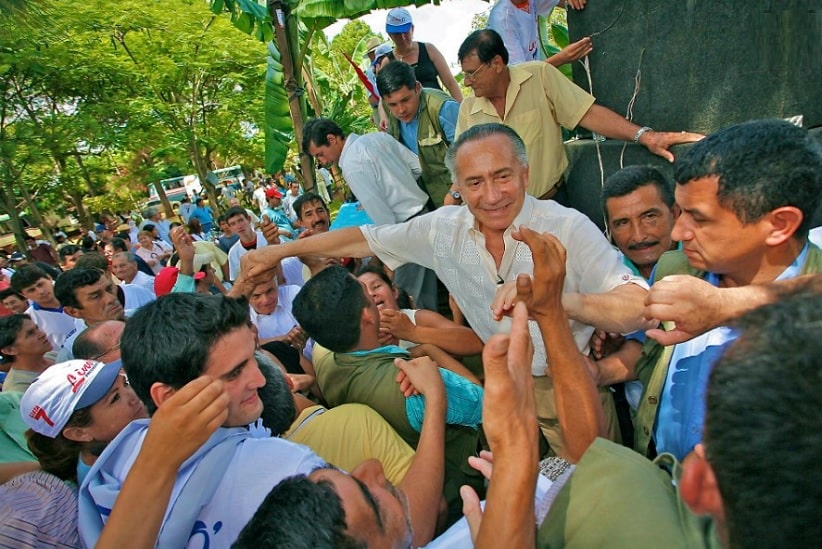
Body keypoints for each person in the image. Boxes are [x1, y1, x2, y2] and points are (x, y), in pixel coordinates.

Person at [245, 123, 648, 457]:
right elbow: (361, 240)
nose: (491, 196)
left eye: (503, 176)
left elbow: (637, 304)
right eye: (475, 182)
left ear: (525, 173)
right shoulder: (441, 230)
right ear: (457, 186)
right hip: (505, 391)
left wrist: (556, 302)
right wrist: (281, 251)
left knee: (598, 484)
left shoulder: (567, 227)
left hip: (570, 384)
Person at [625, 119, 822, 461]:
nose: (678, 233)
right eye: (680, 212)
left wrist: (724, 305)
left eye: (699, 219)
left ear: (779, 224)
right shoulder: (677, 268)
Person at [77, 293, 327, 548]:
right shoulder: (288, 465)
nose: (260, 380)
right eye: (235, 372)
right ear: (169, 395)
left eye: (253, 356)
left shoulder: (116, 457)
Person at [453, 29, 702, 202]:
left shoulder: (539, 77)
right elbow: (462, 166)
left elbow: (587, 113)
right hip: (500, 219)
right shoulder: (468, 109)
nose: (467, 81)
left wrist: (645, 136)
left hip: (551, 204)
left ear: (496, 63)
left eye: (473, 73)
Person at [302, 118, 439, 311]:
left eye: (321, 155)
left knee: (412, 305)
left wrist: (388, 261)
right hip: (425, 214)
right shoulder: (379, 138)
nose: (323, 162)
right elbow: (417, 167)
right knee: (428, 296)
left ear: (332, 139)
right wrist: (402, 190)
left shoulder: (351, 165)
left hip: (403, 232)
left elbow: (384, 221)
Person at [377, 60, 460, 206]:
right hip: (426, 202)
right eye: (393, 104)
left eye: (405, 100)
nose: (401, 110)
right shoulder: (389, 112)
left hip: (458, 199)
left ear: (417, 87)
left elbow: (471, 158)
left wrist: (454, 194)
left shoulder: (442, 109)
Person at [357, 264, 483, 358]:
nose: (372, 294)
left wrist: (413, 332)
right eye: (364, 293)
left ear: (394, 291)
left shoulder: (416, 318)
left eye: (376, 286)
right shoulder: (359, 337)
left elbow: (476, 342)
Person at [384, 7, 463, 102]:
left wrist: (461, 109)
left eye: (405, 32)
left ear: (412, 29)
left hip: (438, 106)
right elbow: (385, 98)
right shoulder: (387, 63)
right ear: (390, 35)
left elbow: (450, 83)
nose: (403, 37)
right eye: (397, 34)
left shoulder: (429, 50)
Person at [488, 0, 592, 66]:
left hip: (534, 81)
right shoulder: (503, 20)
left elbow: (561, 1)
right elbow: (519, 75)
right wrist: (562, 57)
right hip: (514, 93)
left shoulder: (529, 2)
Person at [225, 206, 303, 285]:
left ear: (249, 219)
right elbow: (237, 280)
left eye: (240, 220)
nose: (239, 226)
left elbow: (287, 260)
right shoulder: (233, 253)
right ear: (230, 228)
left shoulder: (269, 237)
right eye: (233, 224)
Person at [10, 265, 76, 350]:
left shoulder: (75, 295)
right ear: (23, 295)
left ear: (49, 278)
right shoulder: (30, 320)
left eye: (40, 284)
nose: (40, 292)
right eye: (31, 290)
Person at [0, 314, 53, 393]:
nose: (42, 334)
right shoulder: (18, 389)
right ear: (10, 350)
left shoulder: (55, 355)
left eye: (37, 328)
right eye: (30, 333)